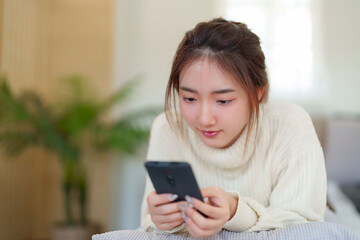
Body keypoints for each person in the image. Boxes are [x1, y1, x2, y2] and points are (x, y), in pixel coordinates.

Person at [141, 17, 326, 238]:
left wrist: (235, 211)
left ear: (257, 93)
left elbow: (305, 225)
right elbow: (147, 223)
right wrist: (163, 221)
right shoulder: (168, 128)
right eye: (189, 98)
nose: (204, 119)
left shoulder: (289, 125)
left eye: (223, 101)